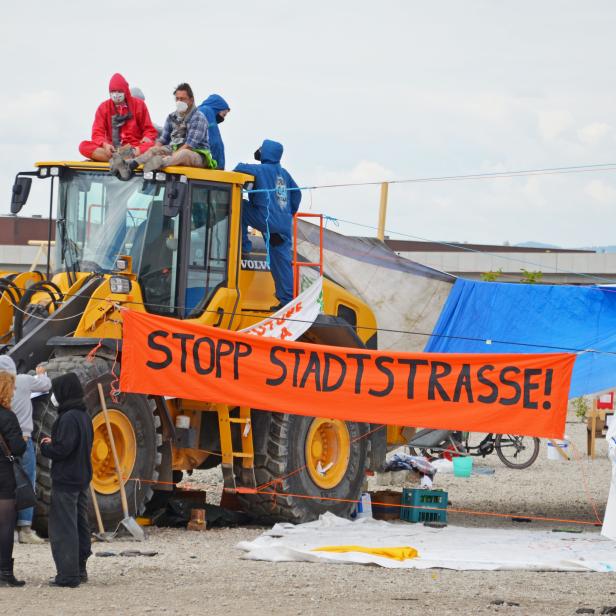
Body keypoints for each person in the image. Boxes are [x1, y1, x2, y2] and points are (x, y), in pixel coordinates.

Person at [40, 374, 93, 588]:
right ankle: (80, 570)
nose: (54, 396)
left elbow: (62, 449)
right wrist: (59, 441)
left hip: (66, 479)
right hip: (81, 477)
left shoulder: (68, 417)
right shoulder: (83, 416)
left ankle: (68, 575)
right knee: (80, 525)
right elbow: (76, 443)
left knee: (64, 527)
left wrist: (46, 446)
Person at [234, 139, 301, 308]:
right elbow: (297, 193)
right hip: (284, 224)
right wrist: (289, 213)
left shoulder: (260, 170)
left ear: (266, 152)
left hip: (266, 219)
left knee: (238, 204)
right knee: (282, 261)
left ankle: (244, 245)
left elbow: (238, 167)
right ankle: (287, 301)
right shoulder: (284, 173)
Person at [0, 356, 50, 544]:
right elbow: (45, 385)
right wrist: (41, 373)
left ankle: (5, 527)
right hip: (22, 441)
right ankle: (25, 529)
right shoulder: (22, 380)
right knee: (26, 482)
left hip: (2, 444)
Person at [78, 73, 158, 176]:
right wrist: (105, 144)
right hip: (112, 150)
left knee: (152, 146)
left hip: (134, 149)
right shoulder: (103, 107)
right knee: (83, 146)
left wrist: (147, 137)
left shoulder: (139, 105)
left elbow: (150, 130)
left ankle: (119, 159)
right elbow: (97, 133)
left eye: (119, 91)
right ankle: (122, 160)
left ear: (126, 90)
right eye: (113, 91)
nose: (116, 94)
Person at [127, 83, 214, 173]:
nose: (179, 101)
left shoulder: (198, 117)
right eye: (177, 99)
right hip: (174, 149)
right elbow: (163, 139)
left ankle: (158, 163)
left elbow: (189, 145)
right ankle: (133, 164)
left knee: (184, 154)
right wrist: (155, 150)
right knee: (155, 148)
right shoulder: (172, 117)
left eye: (182, 99)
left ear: (191, 100)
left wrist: (170, 156)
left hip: (197, 154)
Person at [0, 367, 26, 587]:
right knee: (6, 525)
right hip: (3, 476)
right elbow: (17, 448)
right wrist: (24, 440)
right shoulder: (7, 416)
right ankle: (5, 573)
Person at [197, 94, 230, 169]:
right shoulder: (208, 111)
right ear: (217, 108)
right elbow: (215, 142)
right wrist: (220, 166)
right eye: (224, 114)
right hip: (197, 154)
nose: (223, 118)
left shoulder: (196, 111)